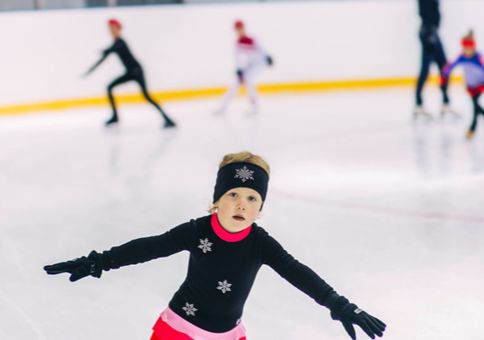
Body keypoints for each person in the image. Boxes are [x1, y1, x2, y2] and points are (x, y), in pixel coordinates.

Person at [44, 151, 386, 340]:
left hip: (229, 335)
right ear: (216, 200)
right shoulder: (197, 231)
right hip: (179, 330)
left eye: (252, 198)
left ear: (260, 207)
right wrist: (99, 261)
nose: (241, 204)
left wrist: (340, 304)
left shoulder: (260, 244)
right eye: (233, 194)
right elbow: (150, 246)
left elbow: (298, 273)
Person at [84, 19, 176, 128]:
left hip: (137, 71)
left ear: (119, 29)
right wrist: (89, 71)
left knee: (146, 96)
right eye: (110, 29)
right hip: (129, 72)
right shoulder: (116, 44)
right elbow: (103, 59)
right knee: (109, 87)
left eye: (114, 29)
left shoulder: (121, 42)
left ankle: (168, 119)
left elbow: (111, 49)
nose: (112, 31)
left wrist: (104, 51)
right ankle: (115, 117)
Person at [215, 21, 273, 115]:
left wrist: (268, 57)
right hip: (249, 65)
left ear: (244, 28)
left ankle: (254, 106)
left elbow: (262, 48)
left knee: (249, 79)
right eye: (237, 29)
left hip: (260, 63)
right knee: (236, 82)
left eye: (241, 28)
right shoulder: (237, 44)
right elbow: (237, 58)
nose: (239, 31)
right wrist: (239, 69)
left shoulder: (253, 39)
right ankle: (223, 106)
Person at [414, 0, 458, 119]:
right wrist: (429, 35)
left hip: (432, 32)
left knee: (444, 68)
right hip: (428, 33)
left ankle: (445, 102)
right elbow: (424, 12)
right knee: (426, 70)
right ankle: (418, 104)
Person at [442, 30, 484, 139]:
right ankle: (472, 129)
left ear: (473, 48)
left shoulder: (478, 58)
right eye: (465, 49)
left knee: (475, 106)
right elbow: (450, 66)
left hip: (480, 85)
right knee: (476, 107)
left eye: (469, 49)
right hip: (470, 86)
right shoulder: (461, 57)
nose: (467, 51)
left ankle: (471, 129)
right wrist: (444, 76)